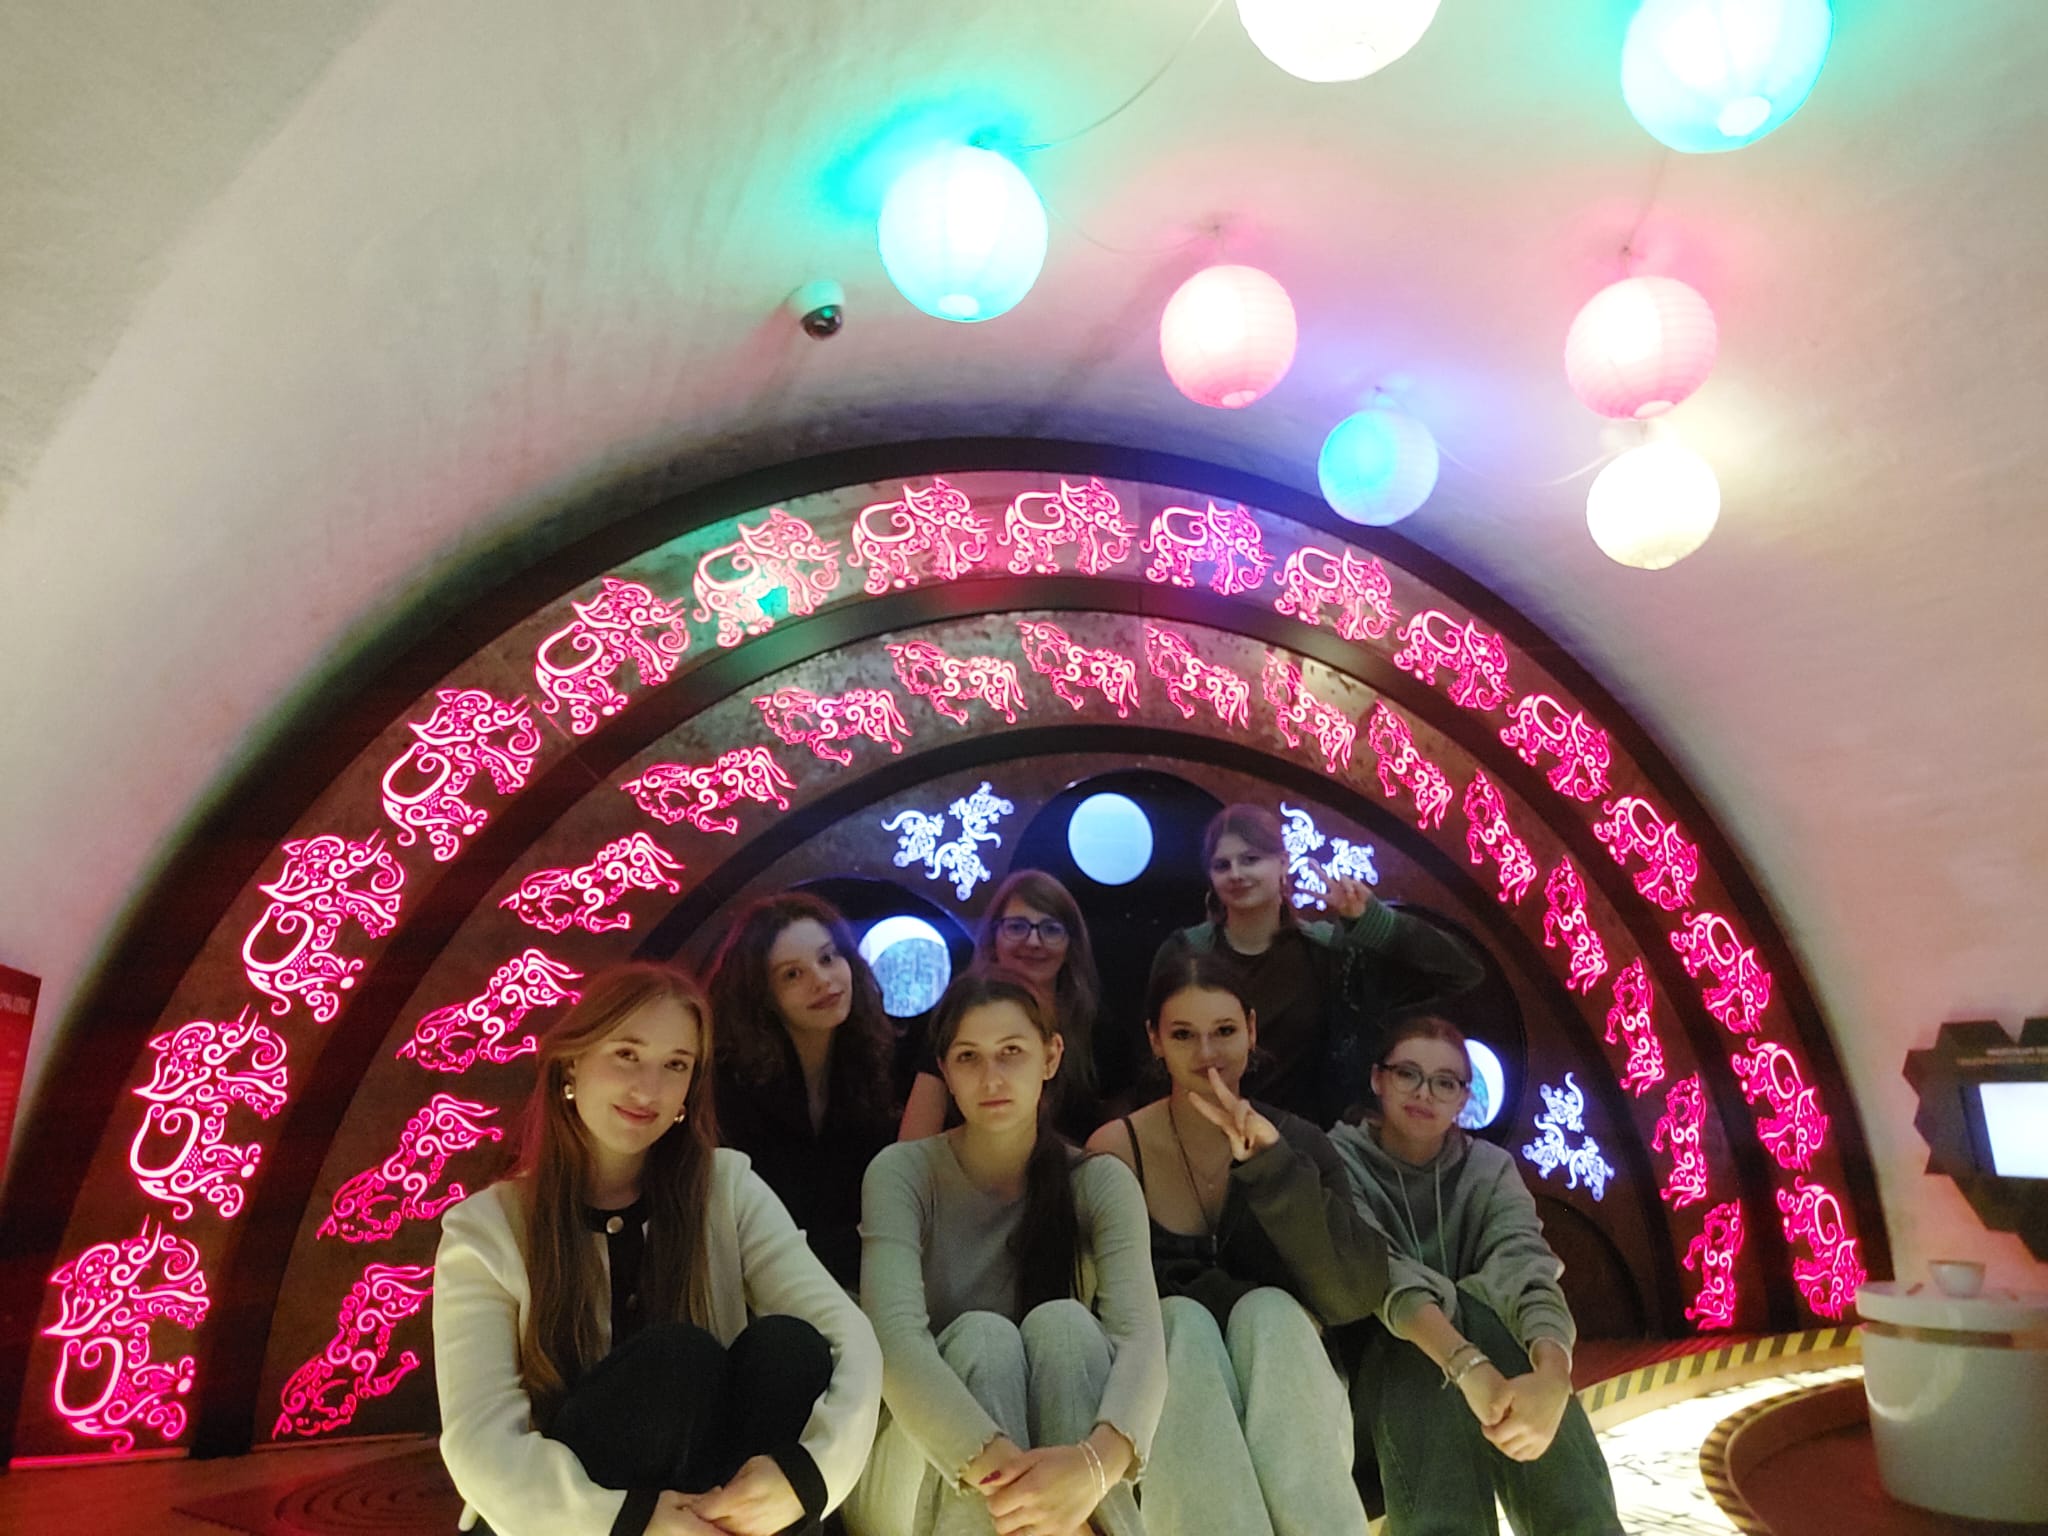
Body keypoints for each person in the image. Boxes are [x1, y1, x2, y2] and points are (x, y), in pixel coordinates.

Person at [433, 964, 882, 1536]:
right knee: (678, 1360)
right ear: (572, 1065)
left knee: (790, 1350)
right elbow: (480, 1441)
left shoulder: (726, 1187)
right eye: (627, 1055)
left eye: (676, 1065)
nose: (649, 1089)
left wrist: (807, 1477)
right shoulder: (487, 1229)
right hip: (552, 1523)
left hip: (707, 1511)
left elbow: (847, 1335)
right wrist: (633, 1520)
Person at [850, 970, 1165, 1536]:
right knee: (984, 1338)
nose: (991, 1077)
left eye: (1011, 1052)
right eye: (968, 1057)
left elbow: (1140, 1342)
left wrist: (1090, 1470)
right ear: (945, 1071)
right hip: (914, 1465)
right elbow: (894, 1346)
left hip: (1068, 1483)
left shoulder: (1099, 1181)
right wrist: (1027, 1490)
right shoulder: (902, 1174)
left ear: (1051, 1057)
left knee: (1066, 1326)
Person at [1085, 953, 1386, 1536]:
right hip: (1165, 1413)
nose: (1207, 1053)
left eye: (1223, 1030)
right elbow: (1103, 1311)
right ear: (1155, 1041)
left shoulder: (1300, 1143)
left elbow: (1352, 1295)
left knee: (1269, 1312)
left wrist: (1272, 1166)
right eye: (1183, 1035)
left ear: (1251, 1029)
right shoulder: (1115, 1151)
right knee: (1178, 1323)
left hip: (1295, 1398)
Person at [1329, 1013, 1624, 1536]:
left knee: (1492, 1314)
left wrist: (1553, 1378)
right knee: (1422, 1328)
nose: (1425, 1093)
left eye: (1445, 1082)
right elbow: (1383, 1276)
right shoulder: (1339, 1159)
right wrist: (1468, 1365)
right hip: (1377, 1395)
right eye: (1408, 1074)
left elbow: (1525, 1265)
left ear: (1464, 1098)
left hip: (1489, 1382)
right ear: (1378, 1079)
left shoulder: (1488, 1168)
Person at [1150, 804, 1484, 1126]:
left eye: (1251, 859)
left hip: (1306, 1145)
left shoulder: (1329, 951)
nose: (1236, 874)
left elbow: (1463, 972)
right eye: (1222, 865)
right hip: (1199, 1131)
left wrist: (1375, 922)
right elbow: (1153, 1061)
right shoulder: (1186, 952)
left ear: (1283, 863)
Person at [707, 891, 900, 1289]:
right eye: (792, 975)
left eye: (828, 958)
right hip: (760, 1287)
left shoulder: (873, 1058)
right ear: (762, 996)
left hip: (858, 1280)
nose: (822, 980)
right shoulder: (729, 1084)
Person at [899, 871, 1113, 1143]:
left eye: (1050, 929)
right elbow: (912, 1146)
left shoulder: (1100, 1030)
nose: (1033, 942)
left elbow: (1116, 1148)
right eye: (1017, 927)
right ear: (993, 937)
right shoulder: (956, 1018)